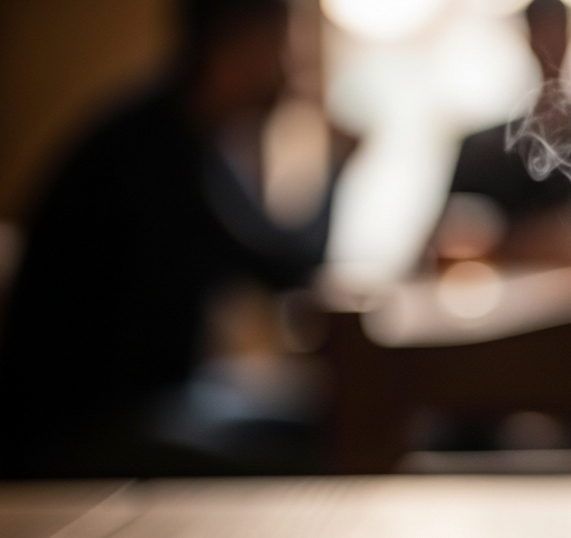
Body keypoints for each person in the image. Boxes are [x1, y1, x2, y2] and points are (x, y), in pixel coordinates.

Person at [0, 0, 345, 477]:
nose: (292, 66)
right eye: (283, 42)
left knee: (327, 417)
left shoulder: (188, 139)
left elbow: (281, 264)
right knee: (332, 438)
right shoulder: (148, 152)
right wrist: (338, 173)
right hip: (84, 433)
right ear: (236, 41)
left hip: (147, 404)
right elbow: (282, 270)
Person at [430, 0, 571, 268]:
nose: (549, 40)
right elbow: (450, 242)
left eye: (556, 29)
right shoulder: (483, 152)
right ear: (527, 36)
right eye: (542, 29)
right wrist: (545, 241)